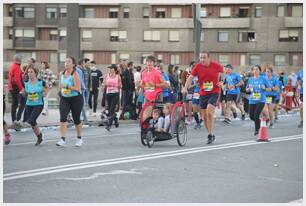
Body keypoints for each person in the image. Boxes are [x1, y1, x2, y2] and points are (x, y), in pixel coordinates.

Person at [183, 51, 224, 144]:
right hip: (203, 93)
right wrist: (185, 87)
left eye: (204, 57)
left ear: (209, 58)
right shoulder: (197, 67)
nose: (202, 60)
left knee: (209, 112)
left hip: (214, 92)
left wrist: (221, 81)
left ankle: (210, 133)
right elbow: (190, 78)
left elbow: (222, 73)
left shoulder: (216, 65)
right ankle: (210, 134)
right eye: (201, 58)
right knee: (204, 116)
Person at [56, 56, 83, 147]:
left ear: (73, 64)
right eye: (65, 61)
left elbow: (78, 89)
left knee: (76, 119)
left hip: (76, 99)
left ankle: (79, 138)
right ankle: (62, 139)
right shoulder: (61, 74)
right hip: (64, 98)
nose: (66, 63)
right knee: (63, 118)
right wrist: (59, 92)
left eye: (68, 61)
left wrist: (68, 86)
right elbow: (60, 85)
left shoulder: (75, 74)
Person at [21, 67, 48, 146]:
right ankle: (39, 137)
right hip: (29, 104)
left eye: (31, 72)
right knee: (32, 122)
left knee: (31, 120)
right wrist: (23, 92)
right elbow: (24, 91)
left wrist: (45, 93)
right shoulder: (26, 82)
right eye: (28, 72)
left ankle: (40, 136)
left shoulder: (40, 82)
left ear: (35, 73)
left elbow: (47, 88)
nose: (29, 74)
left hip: (38, 104)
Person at [246, 65, 272, 136]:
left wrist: (264, 88)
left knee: (256, 115)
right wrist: (249, 89)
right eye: (253, 70)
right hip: (252, 100)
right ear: (252, 71)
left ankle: (257, 129)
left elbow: (270, 89)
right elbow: (246, 89)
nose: (255, 71)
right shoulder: (250, 79)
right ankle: (262, 123)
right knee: (251, 116)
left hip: (261, 100)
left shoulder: (263, 79)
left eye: (256, 69)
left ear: (259, 71)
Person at [102, 64, 121, 131]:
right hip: (108, 94)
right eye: (109, 68)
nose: (110, 69)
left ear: (114, 69)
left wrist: (116, 85)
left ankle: (109, 125)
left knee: (111, 109)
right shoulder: (106, 76)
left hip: (115, 94)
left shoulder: (118, 76)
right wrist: (104, 85)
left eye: (111, 68)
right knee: (109, 109)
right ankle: (115, 119)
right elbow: (103, 83)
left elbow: (121, 86)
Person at [8, 54, 25, 130]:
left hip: (12, 87)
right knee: (16, 104)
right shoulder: (17, 67)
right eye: (21, 59)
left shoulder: (13, 66)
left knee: (15, 104)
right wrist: (21, 89)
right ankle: (15, 121)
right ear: (19, 60)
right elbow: (17, 80)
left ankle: (15, 120)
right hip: (15, 88)